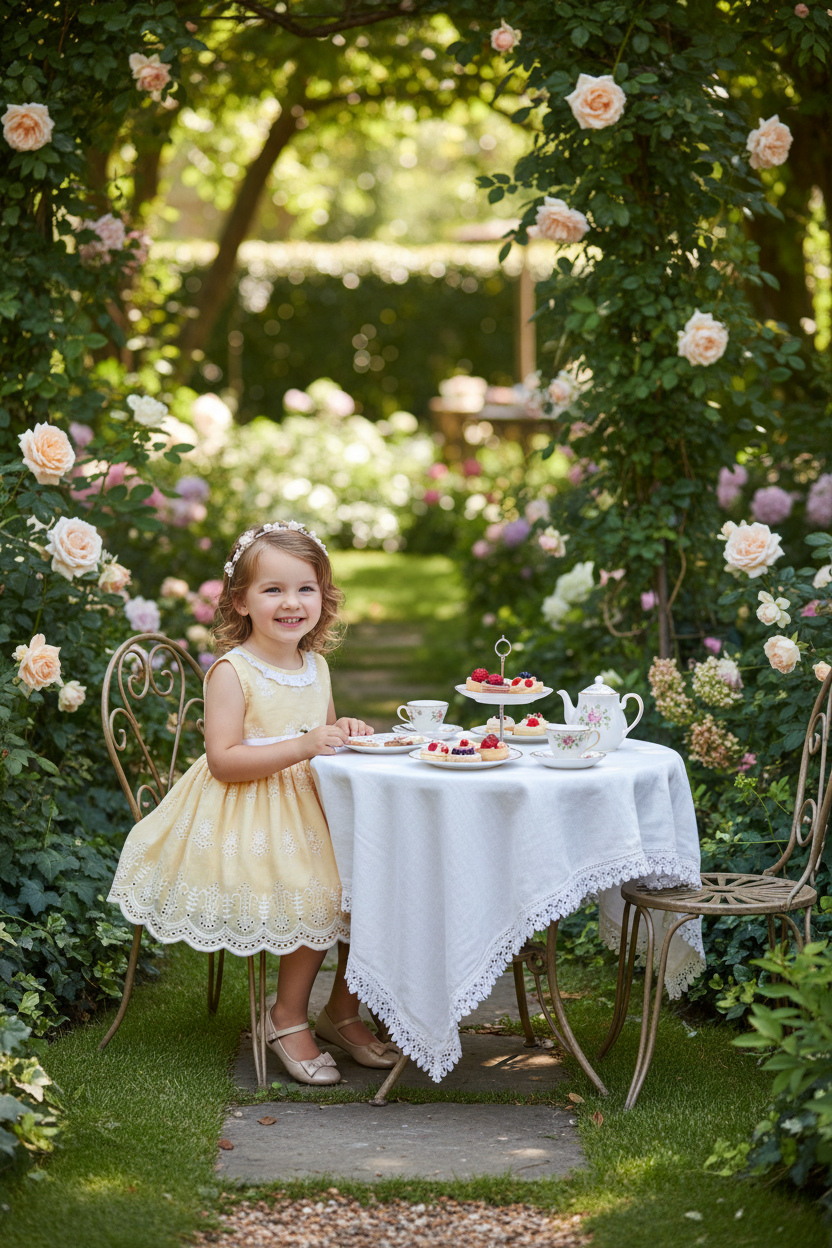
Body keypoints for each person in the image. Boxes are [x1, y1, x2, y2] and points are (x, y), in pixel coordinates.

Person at [108, 521, 400, 1084]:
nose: (291, 602)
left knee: (375, 875)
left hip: (306, 803)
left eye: (305, 589)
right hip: (242, 814)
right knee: (320, 888)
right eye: (273, 590)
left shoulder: (315, 666)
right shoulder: (231, 671)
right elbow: (224, 759)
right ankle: (285, 1016)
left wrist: (341, 729)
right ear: (241, 601)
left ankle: (342, 1011)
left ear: (324, 598)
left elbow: (318, 731)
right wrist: (303, 744)